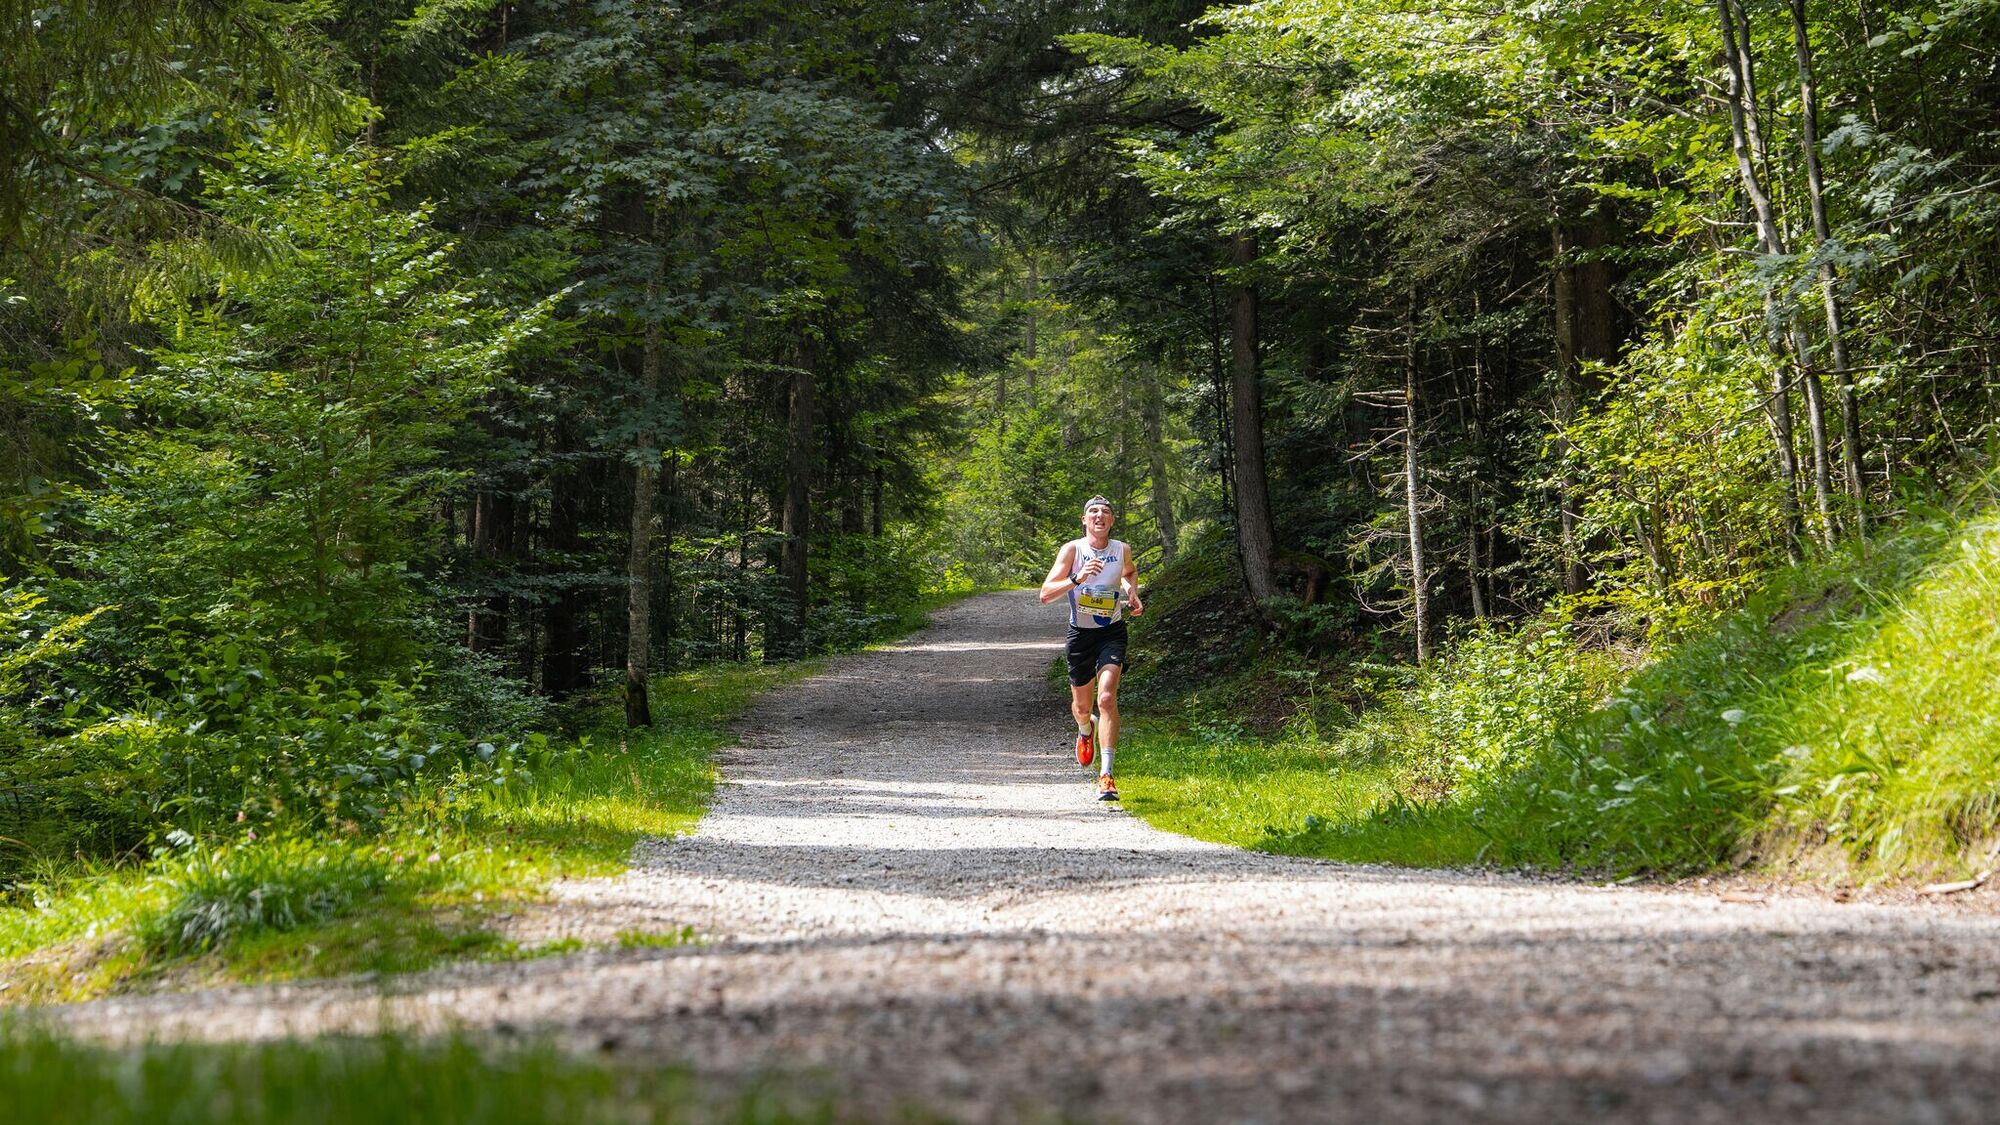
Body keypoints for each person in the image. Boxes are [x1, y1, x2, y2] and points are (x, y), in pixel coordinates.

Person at [1038, 495, 1143, 801]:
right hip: (1080, 635)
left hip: (1112, 632)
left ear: (1112, 520)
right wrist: (1077, 578)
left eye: (1105, 512)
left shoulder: (1121, 549)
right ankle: (1086, 729)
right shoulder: (1073, 550)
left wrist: (1131, 592)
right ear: (1084, 520)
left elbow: (1129, 572)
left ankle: (1106, 775)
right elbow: (1045, 594)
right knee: (1083, 708)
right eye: (1093, 512)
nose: (1100, 515)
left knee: (1107, 697)